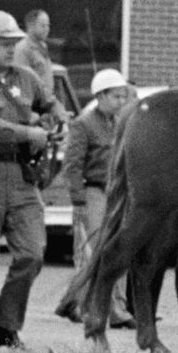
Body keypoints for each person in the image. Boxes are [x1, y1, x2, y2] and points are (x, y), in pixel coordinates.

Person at [0, 9, 67, 353]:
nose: (11, 48)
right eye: (3, 43)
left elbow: (49, 102)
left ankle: (6, 324)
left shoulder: (25, 77)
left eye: (13, 42)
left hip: (22, 174)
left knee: (32, 252)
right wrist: (29, 132)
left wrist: (58, 117)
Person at [53, 68, 133, 327]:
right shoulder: (83, 125)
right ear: (100, 96)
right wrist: (78, 201)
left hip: (117, 193)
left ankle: (76, 302)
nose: (121, 102)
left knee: (118, 248)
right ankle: (110, 311)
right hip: (93, 192)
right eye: (116, 97)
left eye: (123, 97)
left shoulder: (122, 123)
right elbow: (72, 166)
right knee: (96, 250)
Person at [13, 9, 54, 82]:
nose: (47, 29)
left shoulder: (43, 46)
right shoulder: (23, 49)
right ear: (30, 26)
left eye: (48, 25)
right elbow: (20, 81)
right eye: (43, 26)